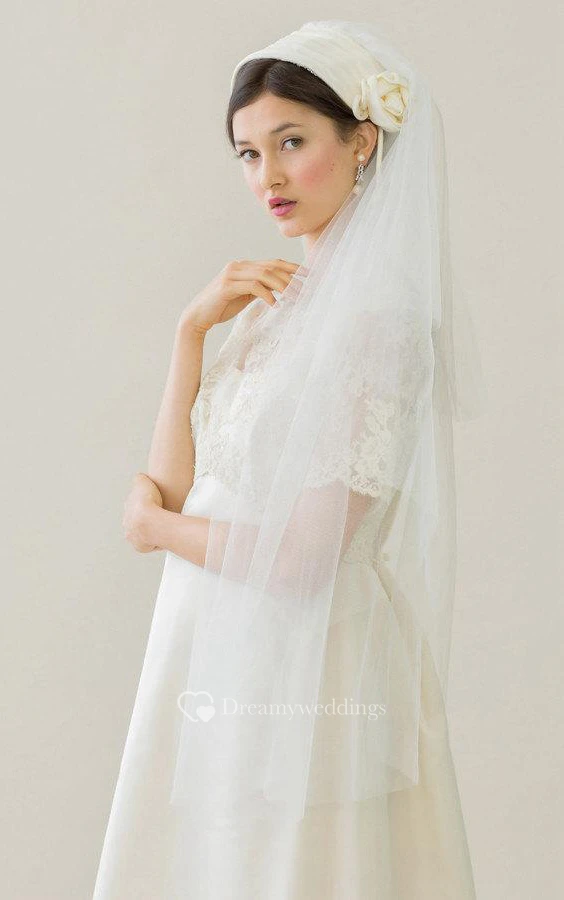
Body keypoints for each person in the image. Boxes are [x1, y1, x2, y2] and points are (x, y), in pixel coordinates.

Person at [93, 19, 484, 899]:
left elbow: (305, 558)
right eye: (247, 153)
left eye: (292, 143)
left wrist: (154, 528)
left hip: (306, 665)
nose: (266, 176)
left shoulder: (379, 323)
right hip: (209, 639)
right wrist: (189, 333)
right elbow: (181, 486)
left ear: (362, 142)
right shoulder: (271, 305)